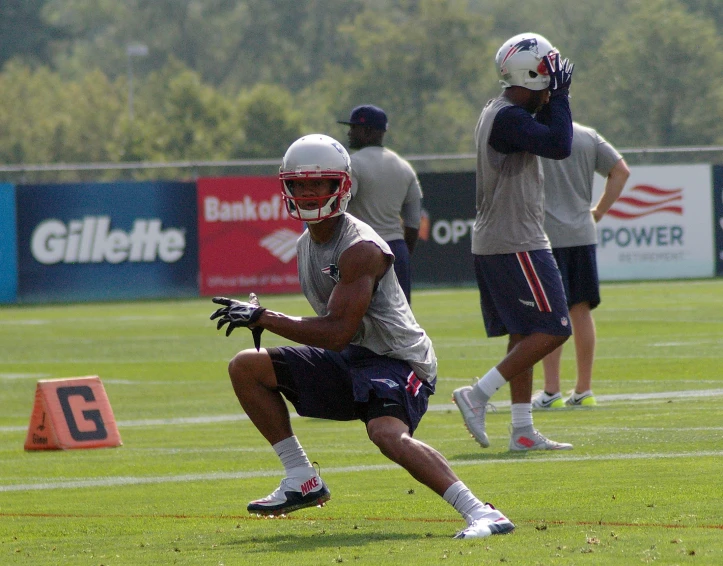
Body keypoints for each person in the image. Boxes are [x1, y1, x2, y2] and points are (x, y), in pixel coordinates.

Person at [209, 133, 514, 539]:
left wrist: (264, 317)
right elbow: (338, 338)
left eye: (319, 183)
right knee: (247, 367)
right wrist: (267, 318)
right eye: (298, 184)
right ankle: (302, 477)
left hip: (400, 360)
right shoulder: (306, 244)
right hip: (353, 357)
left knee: (385, 434)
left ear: (342, 186)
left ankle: (482, 512)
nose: (307, 192)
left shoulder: (360, 248)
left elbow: (335, 332)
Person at [452, 32, 576, 451]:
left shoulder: (502, 111)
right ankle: (477, 394)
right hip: (515, 241)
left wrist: (551, 97)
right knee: (555, 326)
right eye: (550, 73)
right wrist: (560, 97)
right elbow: (560, 145)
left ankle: (522, 430)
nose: (555, 80)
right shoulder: (507, 117)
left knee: (523, 333)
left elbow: (547, 134)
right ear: (533, 74)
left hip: (501, 239)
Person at [532, 123, 630, 409]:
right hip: (582, 233)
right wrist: (598, 211)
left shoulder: (534, 133)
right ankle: (583, 390)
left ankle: (551, 391)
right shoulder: (588, 136)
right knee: (581, 310)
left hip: (545, 235)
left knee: (551, 313)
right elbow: (621, 171)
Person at [337, 105, 422, 305]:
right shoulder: (404, 167)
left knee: (357, 320)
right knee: (400, 323)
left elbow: (340, 207)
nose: (349, 132)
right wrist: (401, 256)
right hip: (396, 249)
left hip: (361, 249)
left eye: (354, 127)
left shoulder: (352, 164)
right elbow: (413, 224)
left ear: (368, 131)